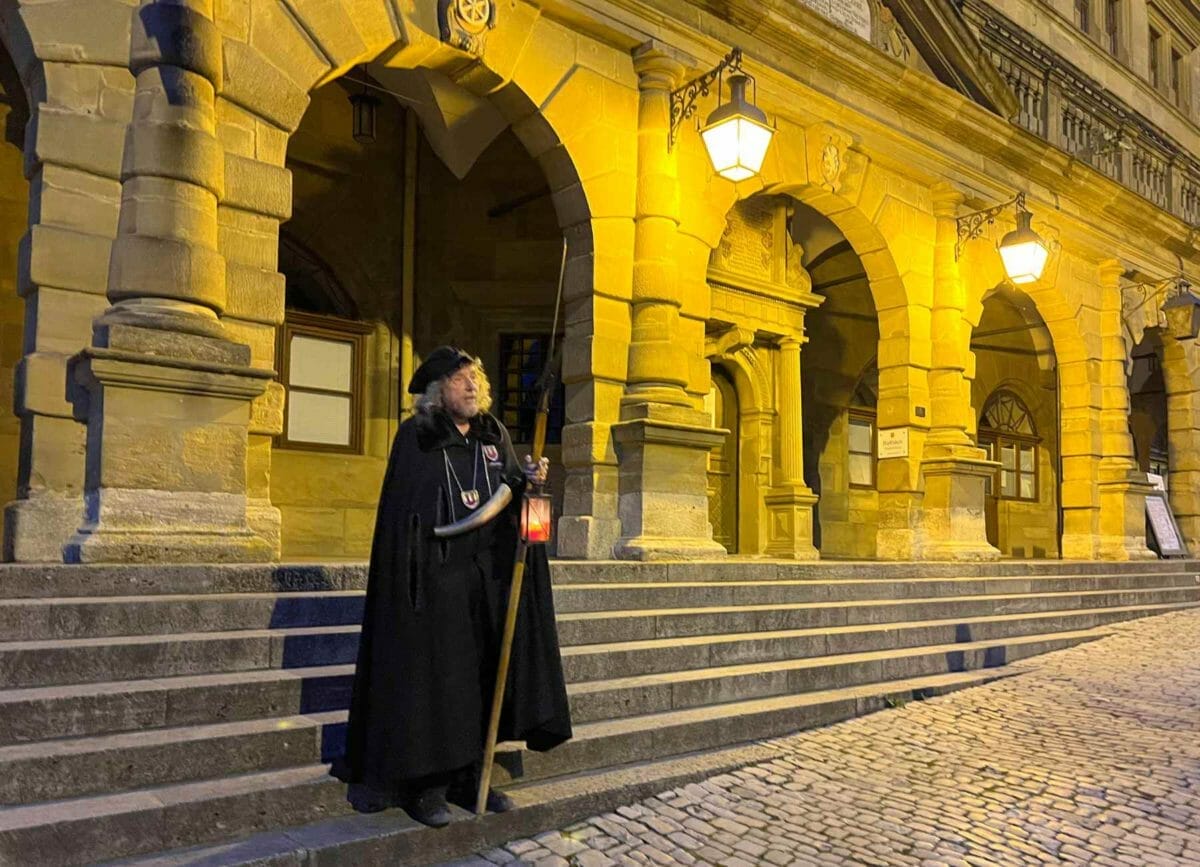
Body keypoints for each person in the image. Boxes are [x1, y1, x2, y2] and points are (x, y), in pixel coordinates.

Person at [333, 346, 572, 827]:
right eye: (461, 378)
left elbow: (508, 496)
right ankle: (427, 787)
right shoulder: (417, 437)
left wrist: (527, 481)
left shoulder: (493, 434)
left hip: (485, 579)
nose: (471, 386)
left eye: (475, 379)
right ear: (437, 389)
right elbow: (407, 515)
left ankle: (472, 775)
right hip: (435, 580)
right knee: (437, 683)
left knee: (482, 678)